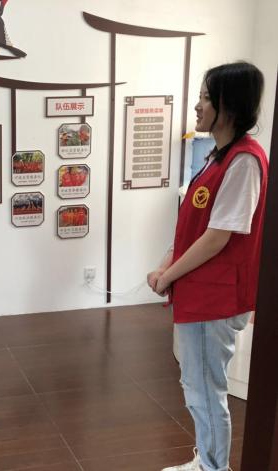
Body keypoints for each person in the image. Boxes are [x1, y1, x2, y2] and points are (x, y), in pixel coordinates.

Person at [147, 61, 267, 471]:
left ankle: (214, 467)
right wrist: (165, 265)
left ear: (228, 105)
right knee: (196, 385)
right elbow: (192, 226)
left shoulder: (244, 162)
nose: (197, 106)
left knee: (205, 391)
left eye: (204, 98)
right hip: (199, 294)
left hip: (216, 299)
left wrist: (167, 275)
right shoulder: (218, 156)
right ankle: (208, 462)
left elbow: (218, 237)